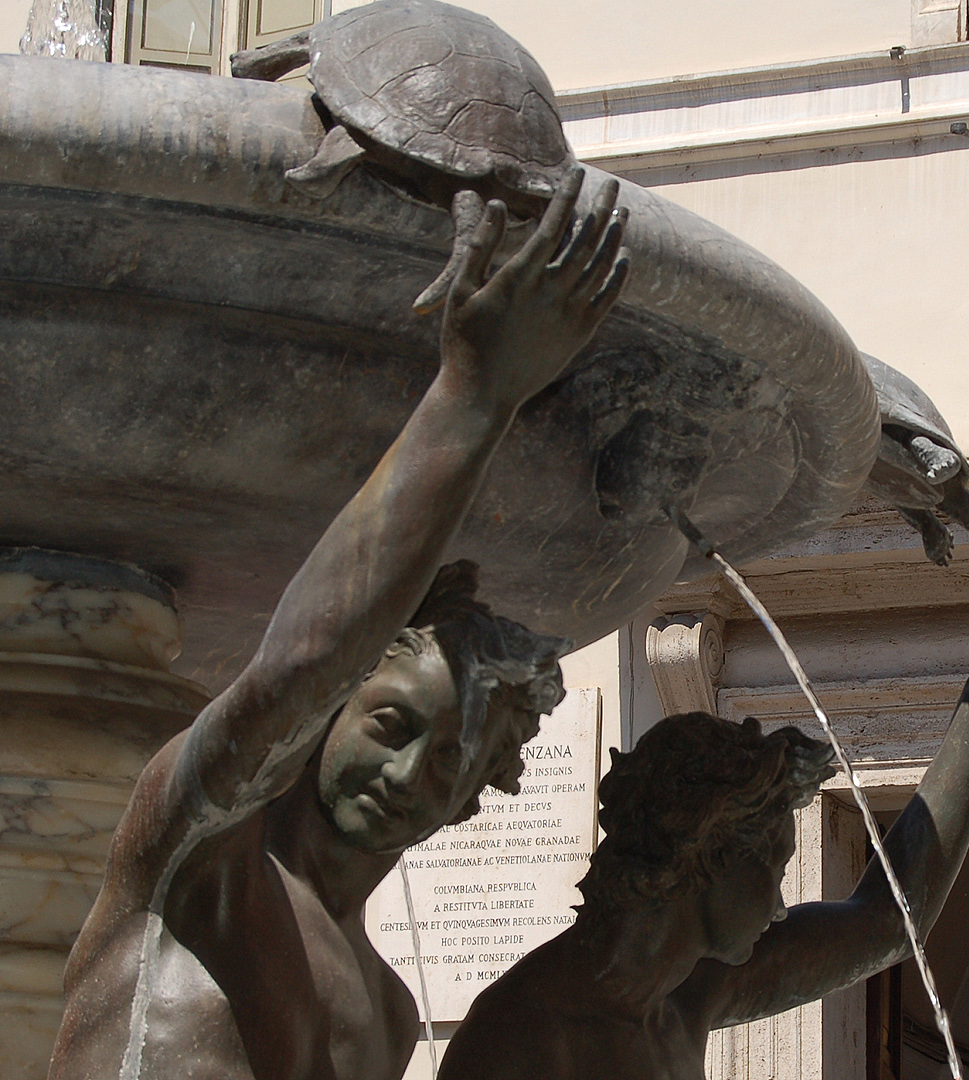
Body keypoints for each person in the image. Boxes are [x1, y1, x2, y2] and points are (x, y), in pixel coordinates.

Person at [46, 168, 629, 1080]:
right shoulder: (204, 854)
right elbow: (296, 667)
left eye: (446, 763)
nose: (404, 775)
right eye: (391, 726)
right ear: (333, 709)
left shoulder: (390, 1011)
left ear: (476, 794)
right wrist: (473, 398)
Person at [439, 567, 969, 1080]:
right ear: (707, 852)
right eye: (771, 869)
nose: (777, 906)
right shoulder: (521, 1041)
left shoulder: (687, 991)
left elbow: (889, 926)